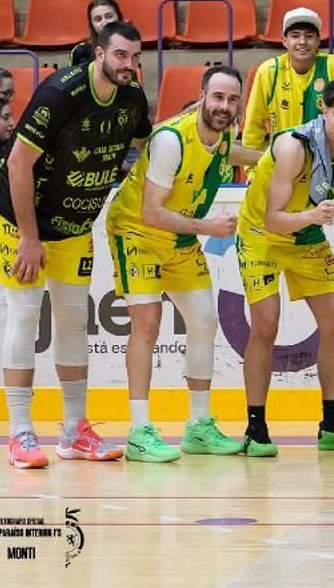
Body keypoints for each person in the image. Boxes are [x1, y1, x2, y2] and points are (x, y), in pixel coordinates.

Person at [0, 21, 152, 469]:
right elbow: (20, 162)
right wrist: (28, 237)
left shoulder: (133, 98)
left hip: (75, 222)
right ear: (99, 54)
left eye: (136, 57)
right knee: (24, 314)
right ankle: (19, 431)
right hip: (20, 215)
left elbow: (147, 144)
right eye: (121, 55)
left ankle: (73, 430)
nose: (130, 65)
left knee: (72, 319)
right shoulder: (61, 93)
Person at [105, 65, 252, 462]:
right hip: (137, 230)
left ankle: (199, 428)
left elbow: (229, 151)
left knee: (204, 320)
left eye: (233, 99)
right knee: (147, 326)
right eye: (218, 97)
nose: (224, 106)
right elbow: (152, 212)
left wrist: (268, 155)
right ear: (203, 95)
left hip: (179, 235)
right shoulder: (171, 140)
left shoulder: (225, 134)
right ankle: (138, 432)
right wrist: (208, 226)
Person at [236, 77, 334, 456]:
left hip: (305, 236)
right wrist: (313, 216)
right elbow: (273, 218)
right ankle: (256, 427)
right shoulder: (293, 147)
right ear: (323, 111)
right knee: (265, 324)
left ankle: (332, 423)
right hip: (261, 235)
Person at [241, 7, 334, 151]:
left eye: (309, 36)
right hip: (283, 160)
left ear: (318, 40)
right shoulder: (268, 72)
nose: (302, 41)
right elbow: (253, 125)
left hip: (328, 160)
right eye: (295, 36)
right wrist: (252, 170)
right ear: (285, 41)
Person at [68, 0, 122, 67]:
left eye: (109, 16)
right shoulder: (81, 52)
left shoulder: (130, 46)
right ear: (92, 24)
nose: (104, 23)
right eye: (98, 19)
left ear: (119, 18)